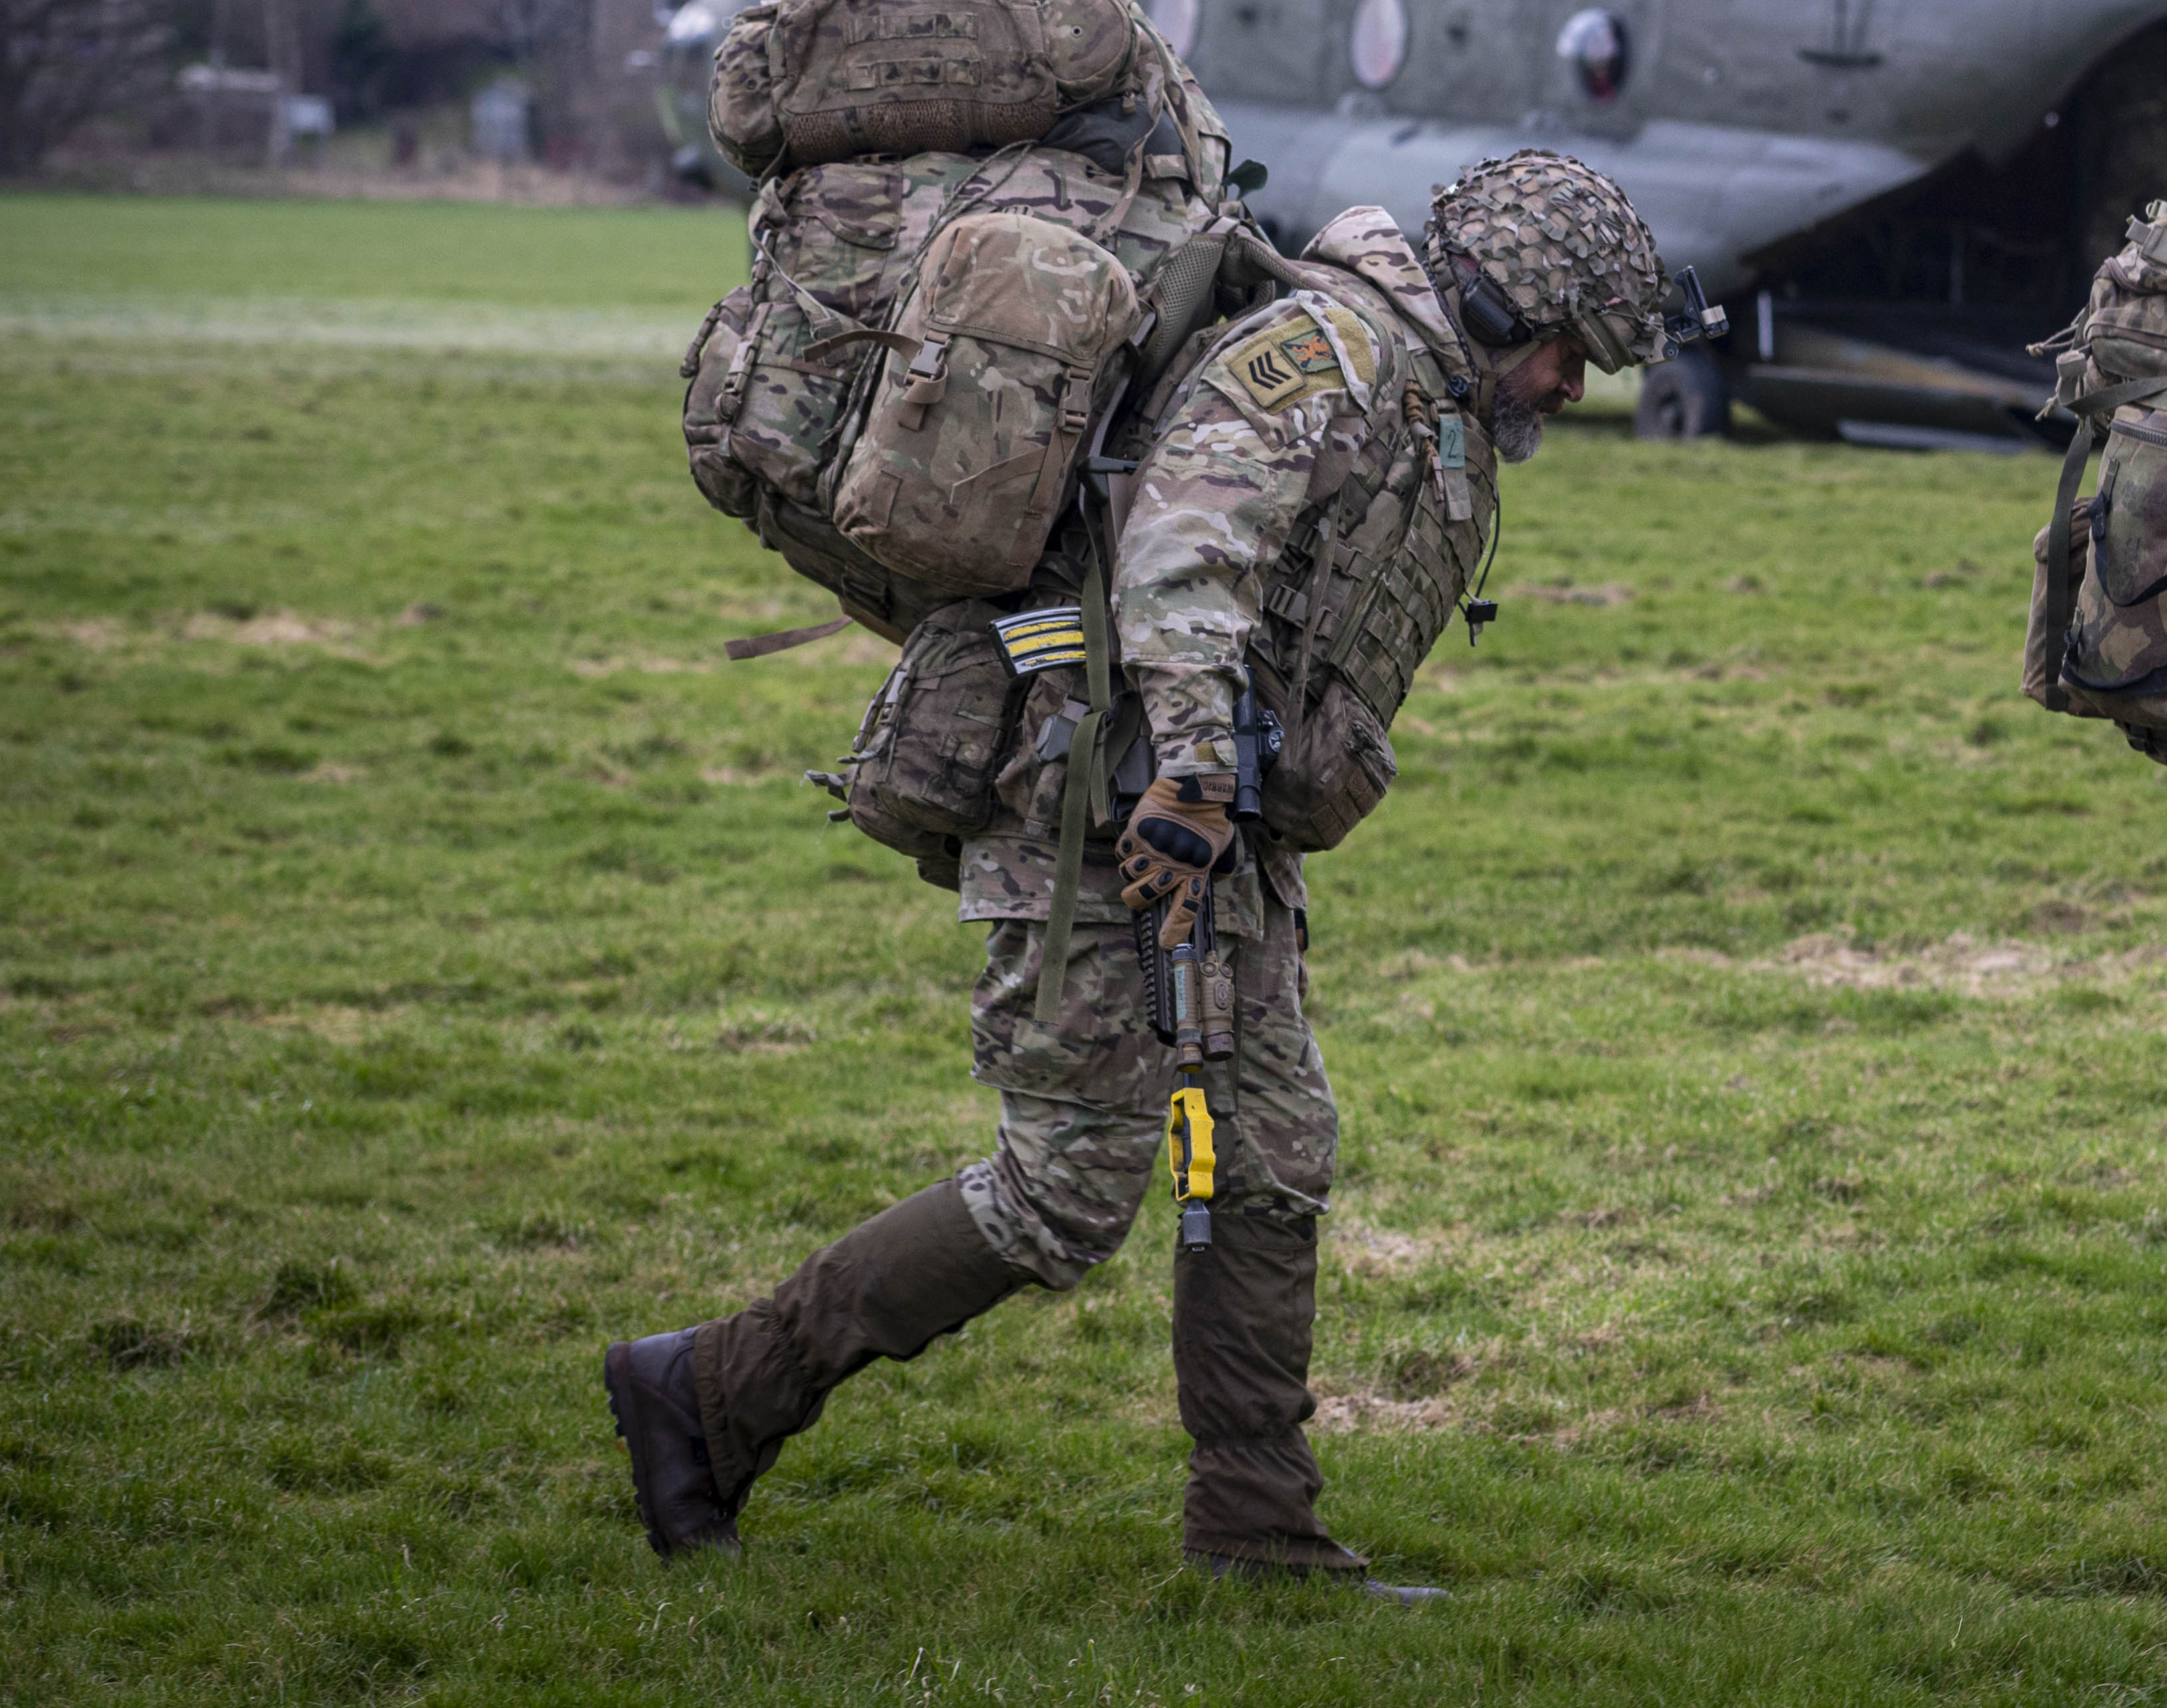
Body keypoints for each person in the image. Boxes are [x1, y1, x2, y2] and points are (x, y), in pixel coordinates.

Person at [606, 150, 1687, 1586]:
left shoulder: (1422, 393)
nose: (1572, 386)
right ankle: (707, 1390)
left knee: (1268, 1157)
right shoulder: (1324, 356)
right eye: (1569, 354)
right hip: (1100, 810)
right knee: (1067, 1184)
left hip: (1209, 828)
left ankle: (1257, 1531)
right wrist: (1184, 773)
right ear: (1503, 300)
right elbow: (1185, 548)